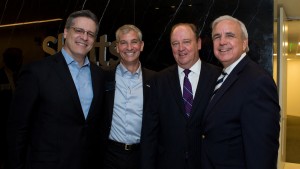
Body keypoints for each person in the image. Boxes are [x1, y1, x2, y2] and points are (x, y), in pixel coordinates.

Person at [6, 10, 106, 169]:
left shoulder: (99, 76)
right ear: (66, 32)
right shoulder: (36, 72)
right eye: (79, 30)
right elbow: (17, 128)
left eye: (90, 33)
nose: (84, 37)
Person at [200, 15, 280, 169]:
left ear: (244, 43)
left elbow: (262, 151)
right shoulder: (222, 76)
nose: (222, 42)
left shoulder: (257, 81)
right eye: (217, 37)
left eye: (230, 35)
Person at [140, 23, 221, 169]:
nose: (181, 48)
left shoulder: (218, 78)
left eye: (186, 42)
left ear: (198, 43)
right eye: (175, 43)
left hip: (207, 163)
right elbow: (149, 132)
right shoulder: (159, 81)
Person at [102, 24, 156, 169]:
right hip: (110, 155)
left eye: (134, 42)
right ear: (117, 47)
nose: (129, 47)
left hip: (142, 154)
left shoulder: (155, 80)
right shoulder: (104, 77)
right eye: (123, 43)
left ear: (141, 45)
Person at [0, 48, 23, 169]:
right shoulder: (0, 76)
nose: (18, 62)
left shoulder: (25, 74)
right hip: (4, 124)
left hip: (21, 124)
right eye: (14, 59)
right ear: (6, 60)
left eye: (18, 58)